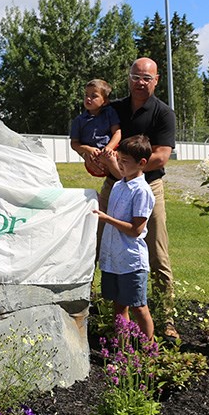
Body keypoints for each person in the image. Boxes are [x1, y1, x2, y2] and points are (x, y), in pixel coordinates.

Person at [101, 57, 178, 340]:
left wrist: (123, 168)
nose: (140, 82)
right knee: (102, 244)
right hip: (113, 186)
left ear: (156, 80)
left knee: (156, 251)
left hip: (148, 186)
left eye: (147, 78)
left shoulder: (163, 113)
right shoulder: (114, 108)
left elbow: (161, 155)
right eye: (136, 77)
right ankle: (101, 309)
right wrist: (90, 154)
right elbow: (93, 136)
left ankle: (166, 317)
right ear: (129, 77)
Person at [94, 135, 156, 341]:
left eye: (125, 161)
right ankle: (123, 348)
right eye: (119, 159)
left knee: (139, 306)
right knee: (119, 305)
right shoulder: (119, 185)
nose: (119, 164)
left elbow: (136, 230)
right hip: (114, 257)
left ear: (142, 163)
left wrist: (107, 219)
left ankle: (149, 351)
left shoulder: (142, 191)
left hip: (131, 260)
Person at [69, 79, 120, 177]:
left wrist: (109, 147)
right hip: (92, 157)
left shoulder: (110, 113)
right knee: (102, 163)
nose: (88, 98)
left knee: (120, 156)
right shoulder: (79, 120)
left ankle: (124, 180)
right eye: (86, 95)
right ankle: (122, 179)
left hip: (111, 149)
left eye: (94, 96)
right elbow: (74, 143)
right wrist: (87, 149)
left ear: (105, 101)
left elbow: (117, 132)